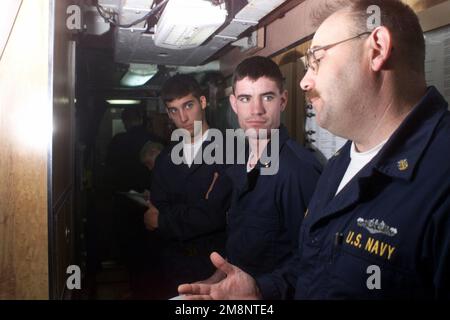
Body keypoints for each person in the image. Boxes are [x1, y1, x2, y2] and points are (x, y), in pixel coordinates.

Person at [178, 0, 450, 299]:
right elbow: (313, 268)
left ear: (377, 48)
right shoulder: (339, 165)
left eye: (316, 60)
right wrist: (259, 289)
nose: (305, 82)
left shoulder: (441, 181)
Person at [194, 56, 321, 293]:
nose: (256, 110)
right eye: (245, 98)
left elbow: (314, 260)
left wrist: (259, 290)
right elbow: (241, 248)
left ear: (282, 101)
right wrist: (214, 282)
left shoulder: (298, 171)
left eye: (268, 97)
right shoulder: (239, 161)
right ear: (234, 104)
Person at [144, 74, 233, 299]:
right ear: (168, 113)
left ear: (203, 102)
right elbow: (159, 206)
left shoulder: (230, 150)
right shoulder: (165, 158)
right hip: (172, 264)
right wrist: (192, 214)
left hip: (215, 266)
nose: (182, 117)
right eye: (174, 110)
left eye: (188, 105)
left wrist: (165, 220)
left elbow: (214, 216)